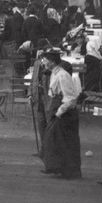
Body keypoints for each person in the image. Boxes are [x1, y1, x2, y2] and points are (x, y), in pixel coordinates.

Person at [39, 49, 81, 179]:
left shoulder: (62, 75)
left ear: (52, 61)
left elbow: (70, 98)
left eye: (45, 59)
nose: (43, 62)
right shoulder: (53, 73)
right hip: (56, 109)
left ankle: (70, 171)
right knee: (54, 140)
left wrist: (59, 113)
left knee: (65, 142)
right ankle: (57, 168)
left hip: (65, 113)